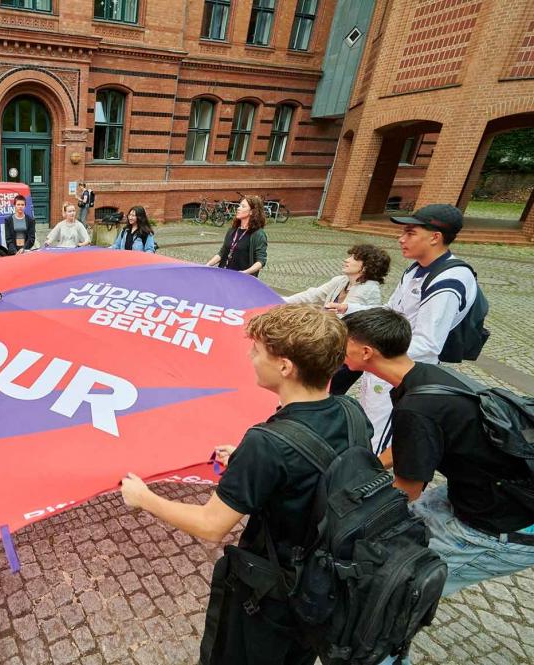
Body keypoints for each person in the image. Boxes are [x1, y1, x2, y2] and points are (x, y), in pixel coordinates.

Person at [121, 304, 358, 665]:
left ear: (285, 367)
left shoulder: (266, 444)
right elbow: (317, 476)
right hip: (323, 585)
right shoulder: (350, 412)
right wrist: (252, 467)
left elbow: (211, 525)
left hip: (274, 594)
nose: (250, 357)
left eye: (258, 351)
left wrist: (144, 498)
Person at [343, 308, 533, 652]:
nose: (339, 352)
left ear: (367, 352)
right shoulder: (423, 377)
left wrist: (348, 504)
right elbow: (408, 448)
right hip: (476, 492)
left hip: (502, 527)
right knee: (390, 542)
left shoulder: (416, 405)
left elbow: (408, 490)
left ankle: (381, 652)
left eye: (344, 345)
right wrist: (362, 467)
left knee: (392, 595)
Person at [326, 204, 479, 450]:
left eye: (410, 233)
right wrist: (350, 310)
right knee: (367, 427)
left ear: (435, 237)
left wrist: (374, 351)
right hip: (381, 368)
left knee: (379, 439)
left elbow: (429, 344)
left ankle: (368, 483)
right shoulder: (416, 269)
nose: (401, 239)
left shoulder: (449, 281)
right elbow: (392, 311)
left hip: (401, 375)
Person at [285, 244, 392, 451]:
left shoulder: (369, 290)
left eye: (354, 258)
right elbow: (312, 294)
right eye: (349, 255)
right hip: (331, 347)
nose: (348, 259)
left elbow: (344, 321)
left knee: (329, 390)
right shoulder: (341, 281)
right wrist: (279, 301)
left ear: (367, 266)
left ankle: (319, 437)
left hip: (348, 353)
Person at [205, 195, 268, 277]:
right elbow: (222, 253)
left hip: (243, 280)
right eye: (239, 205)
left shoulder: (258, 234)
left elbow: (261, 261)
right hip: (224, 275)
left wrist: (245, 272)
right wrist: (207, 265)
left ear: (252, 212)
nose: (238, 208)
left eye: (243, 206)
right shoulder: (232, 230)